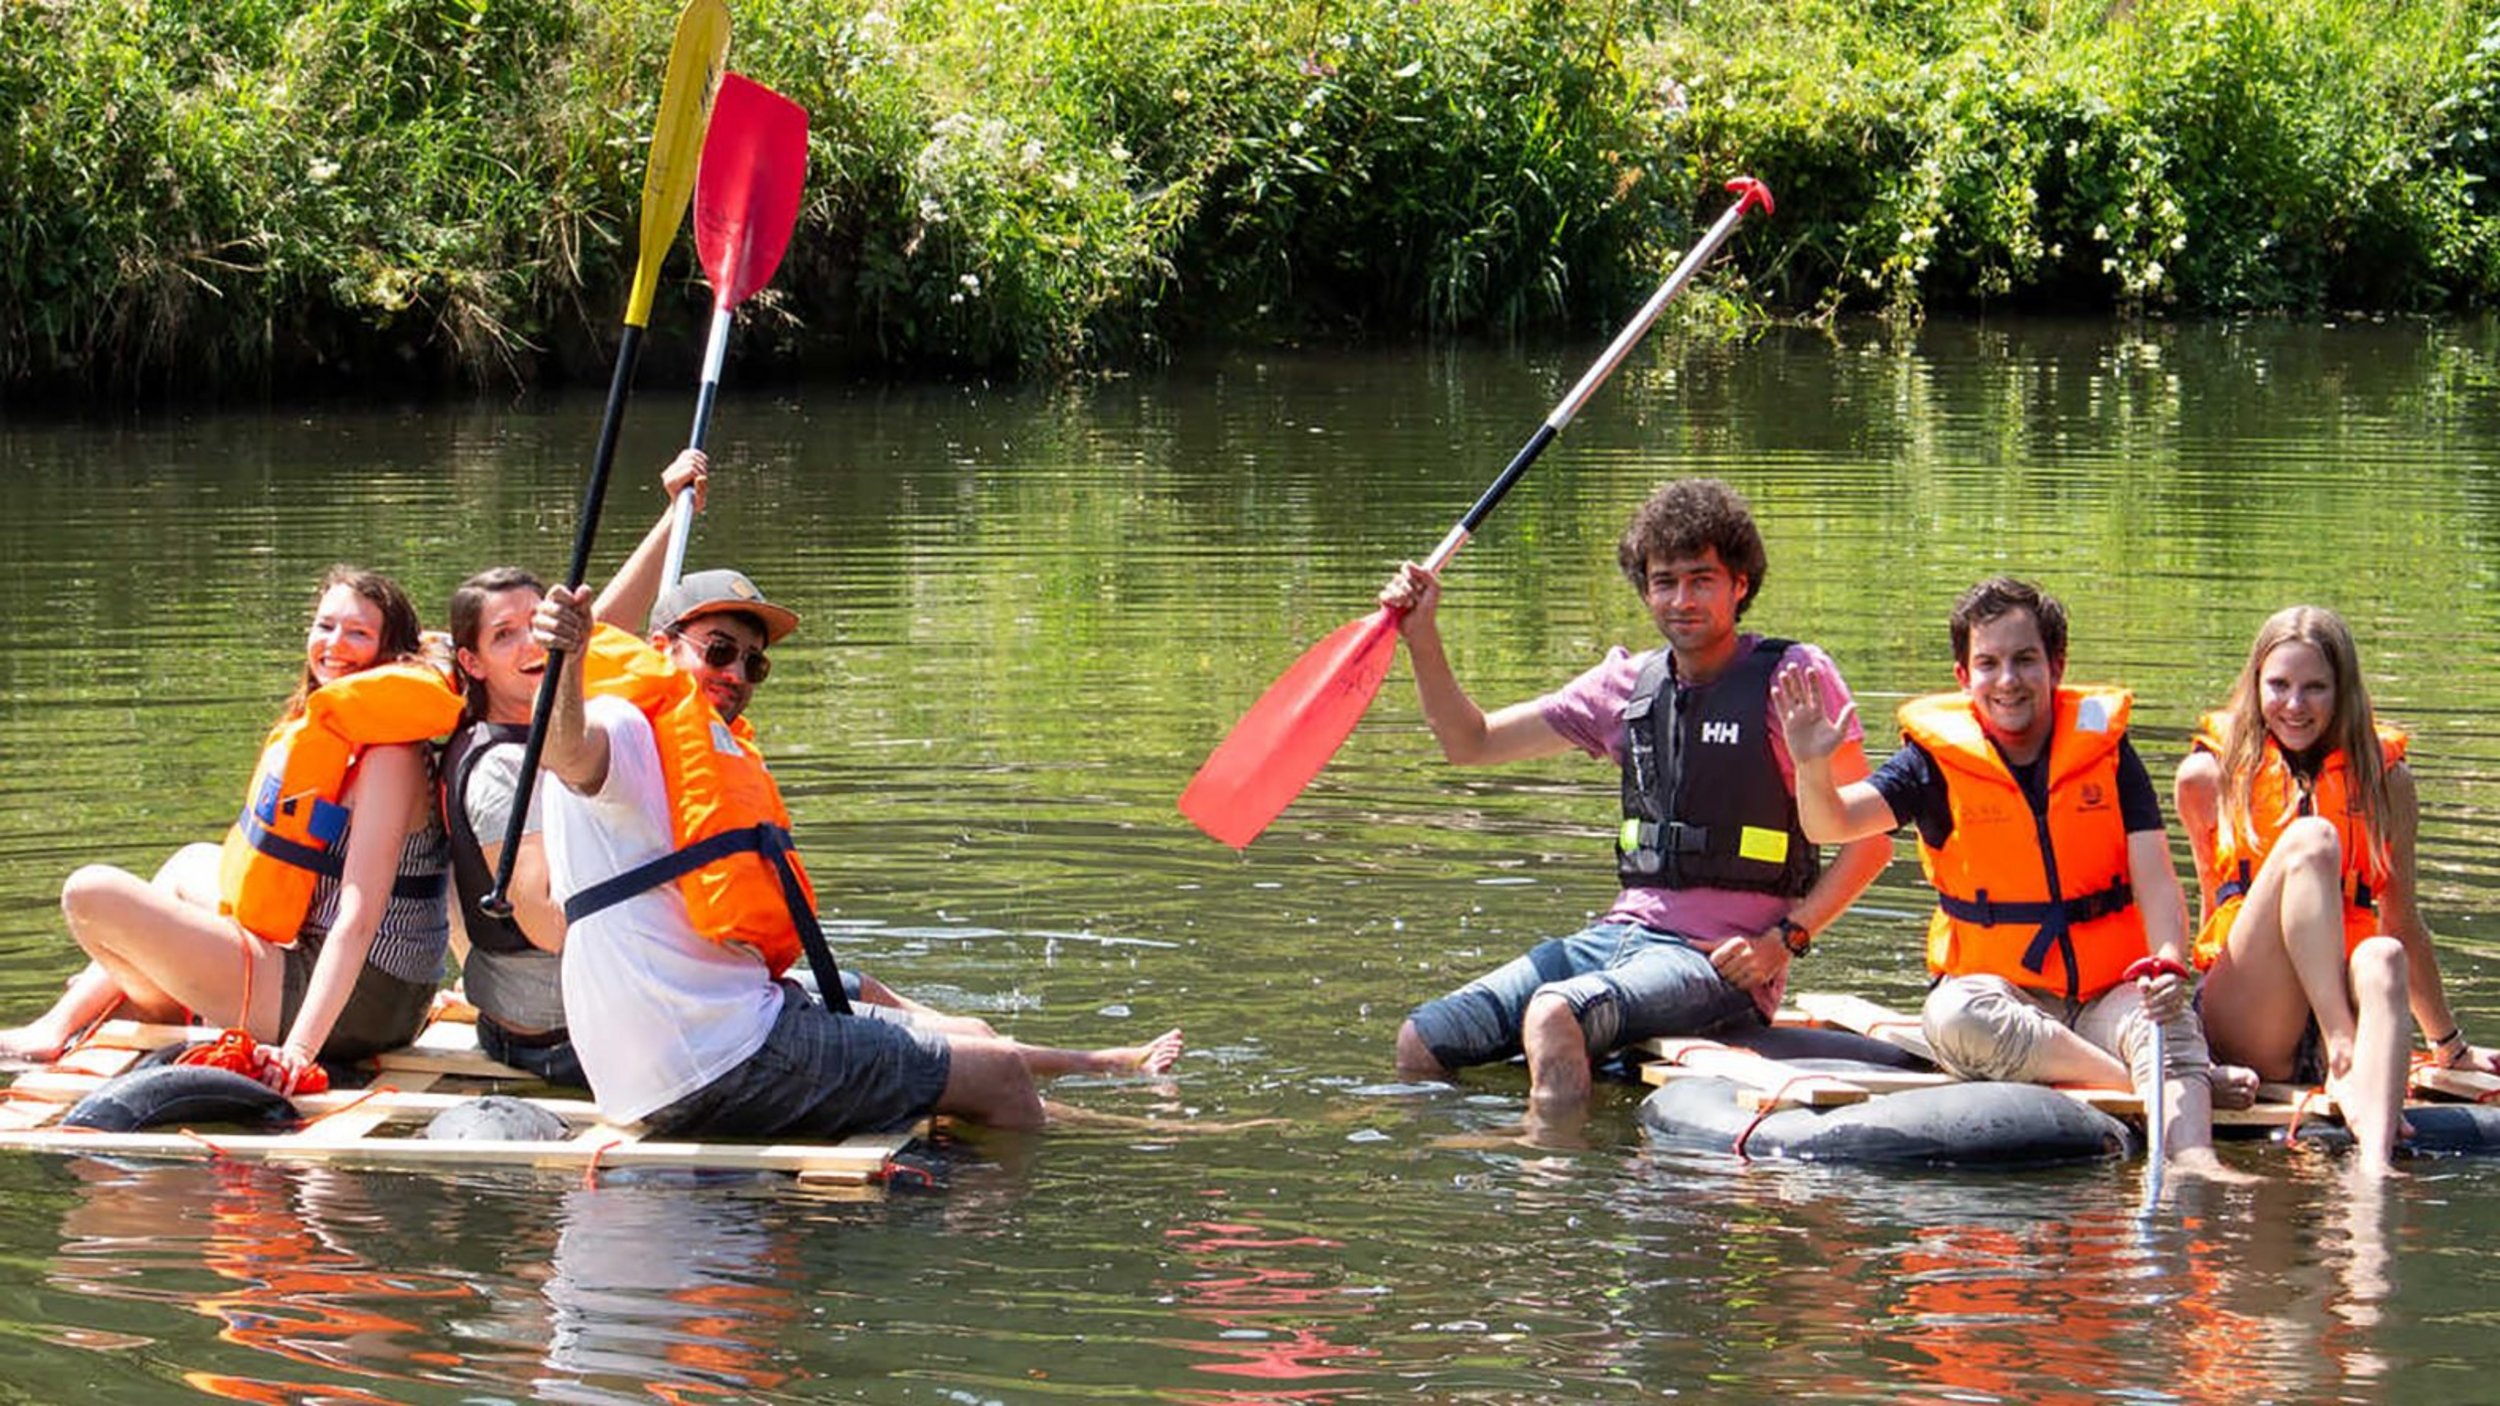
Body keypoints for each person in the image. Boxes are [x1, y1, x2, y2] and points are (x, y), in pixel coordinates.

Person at [444, 454, 1148, 1088]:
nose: (533, 646)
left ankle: (1086, 1065)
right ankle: (1075, 1093)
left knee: (899, 1005)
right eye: (507, 636)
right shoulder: (511, 766)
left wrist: (673, 512)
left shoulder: (600, 710)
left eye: (539, 626)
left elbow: (595, 640)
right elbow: (551, 925)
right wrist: (676, 900)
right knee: (968, 1063)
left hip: (663, 994)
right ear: (472, 662)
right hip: (575, 1026)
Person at [527, 566, 1178, 1138]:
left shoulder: (699, 740)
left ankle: (1104, 1084)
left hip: (711, 1036)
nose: (736, 674)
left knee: (977, 1042)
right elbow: (565, 752)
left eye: (754, 663)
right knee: (999, 1075)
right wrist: (568, 659)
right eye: (719, 650)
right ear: (660, 648)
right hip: (713, 1062)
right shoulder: (626, 726)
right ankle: (1017, 1201)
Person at [1383, 477, 1893, 1127]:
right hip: (1615, 941)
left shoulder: (1794, 679)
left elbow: (1870, 842)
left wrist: (1785, 941)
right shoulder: (1622, 686)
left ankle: (1557, 1173)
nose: (1681, 600)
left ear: (1739, 585)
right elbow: (1471, 742)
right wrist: (1422, 635)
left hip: (1719, 963)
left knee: (1554, 1013)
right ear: (1646, 590)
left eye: (1701, 580)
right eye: (1664, 582)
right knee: (1423, 1039)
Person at [1775, 575, 2241, 1175]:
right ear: (1963, 676)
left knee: (2167, 1014)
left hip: (2108, 992)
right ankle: (2156, 1080)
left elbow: (2154, 874)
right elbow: (1831, 823)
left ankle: (2196, 1165)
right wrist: (1812, 767)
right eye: (1988, 664)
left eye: (2025, 660)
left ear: (2056, 665)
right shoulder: (1930, 764)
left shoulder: (2107, 752)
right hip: (2004, 1002)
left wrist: (2169, 961)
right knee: (1952, 1015)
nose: (2008, 680)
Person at [1, 567, 459, 1090]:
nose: (335, 644)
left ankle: (143, 1001)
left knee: (89, 893)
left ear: (392, 653)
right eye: (325, 626)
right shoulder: (343, 735)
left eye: (358, 633)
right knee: (188, 864)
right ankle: (64, 1024)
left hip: (369, 1003)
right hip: (323, 967)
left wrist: (298, 1052)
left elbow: (357, 920)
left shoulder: (391, 758)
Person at [2175, 605, 2500, 1172]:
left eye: (2315, 688)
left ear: (2342, 690)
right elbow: (2212, 911)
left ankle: (2375, 1170)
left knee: (2384, 954)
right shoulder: (2206, 777)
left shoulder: (2386, 782)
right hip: (2252, 1016)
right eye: (2279, 685)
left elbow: (2402, 920)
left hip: (2339, 1010)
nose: (2295, 705)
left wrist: (2449, 1046)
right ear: (2256, 684)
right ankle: (2344, 1049)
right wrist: (2185, 1050)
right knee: (2314, 839)